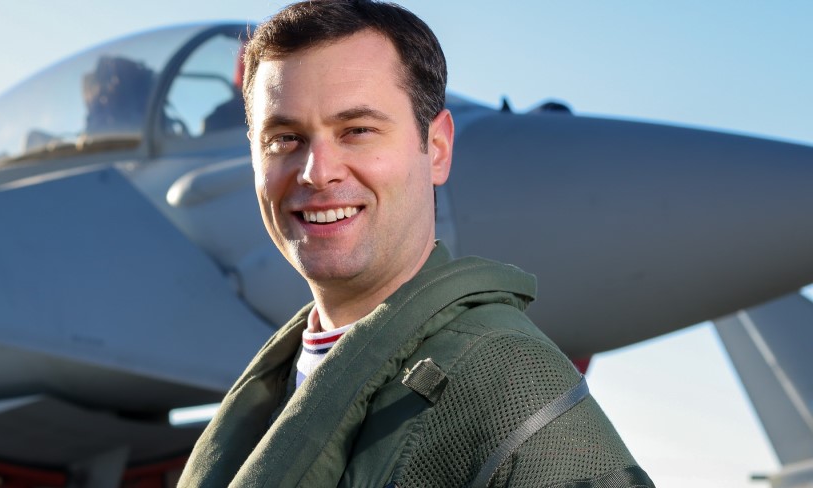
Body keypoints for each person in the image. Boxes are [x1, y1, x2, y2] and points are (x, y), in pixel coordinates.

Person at [179, 1, 653, 487]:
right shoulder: (264, 397)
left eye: (358, 130)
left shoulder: (511, 389)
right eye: (284, 138)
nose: (318, 172)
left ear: (439, 150)